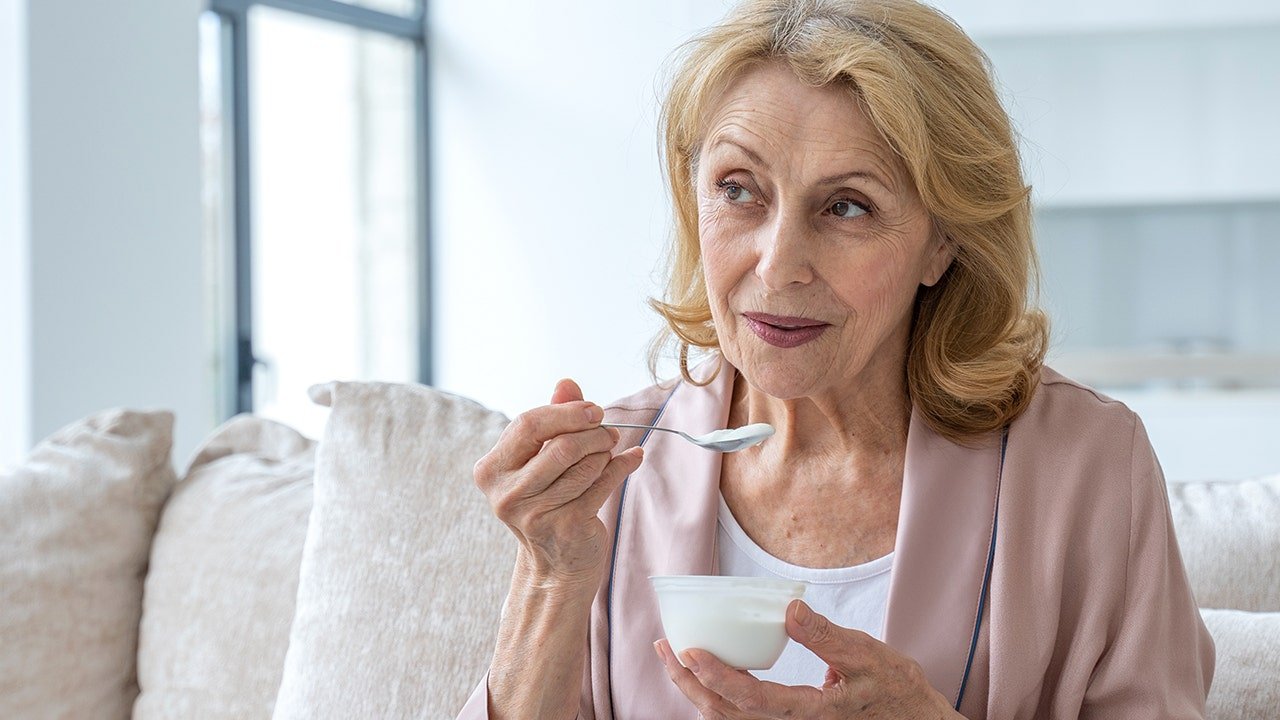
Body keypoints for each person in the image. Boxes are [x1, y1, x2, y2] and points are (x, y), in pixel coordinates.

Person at [458, 0, 1214, 717]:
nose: (779, 264)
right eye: (738, 190)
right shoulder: (615, 473)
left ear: (942, 241)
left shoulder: (1084, 467)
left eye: (846, 205)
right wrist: (550, 581)